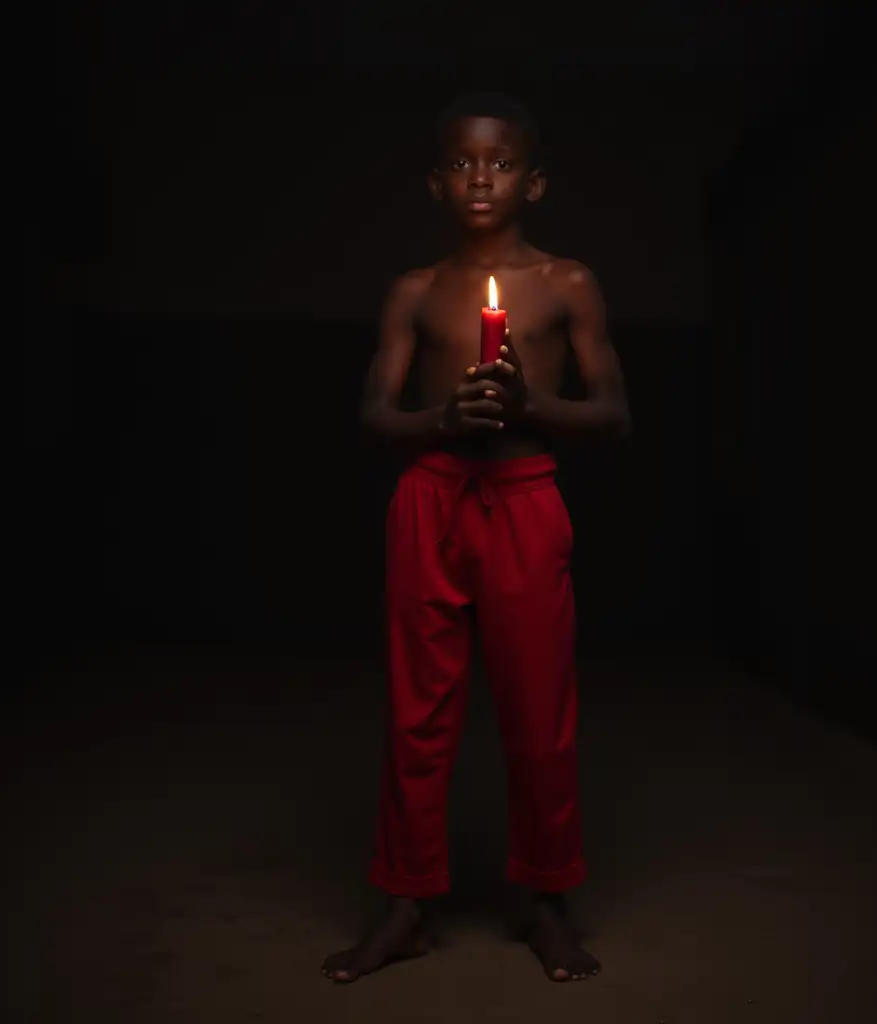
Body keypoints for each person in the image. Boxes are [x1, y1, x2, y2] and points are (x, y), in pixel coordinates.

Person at [322, 92, 630, 984]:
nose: (480, 176)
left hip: (526, 498)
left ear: (533, 182)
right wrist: (442, 419)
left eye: (499, 162)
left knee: (539, 714)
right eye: (461, 162)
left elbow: (614, 412)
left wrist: (530, 407)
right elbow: (376, 413)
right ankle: (407, 903)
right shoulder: (414, 291)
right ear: (435, 183)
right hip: (431, 498)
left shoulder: (567, 282)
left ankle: (545, 899)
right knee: (418, 714)